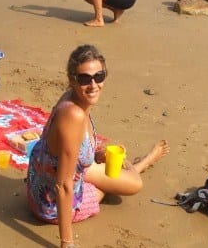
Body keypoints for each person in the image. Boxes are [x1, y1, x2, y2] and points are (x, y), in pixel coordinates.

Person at [26, 45, 169, 248]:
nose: (93, 85)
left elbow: (67, 148)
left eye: (99, 76)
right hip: (50, 206)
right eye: (84, 79)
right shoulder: (74, 114)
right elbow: (63, 185)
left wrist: (98, 153)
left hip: (39, 183)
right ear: (72, 80)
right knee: (134, 183)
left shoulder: (73, 99)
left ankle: (124, 167)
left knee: (107, 172)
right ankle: (140, 165)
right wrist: (67, 243)